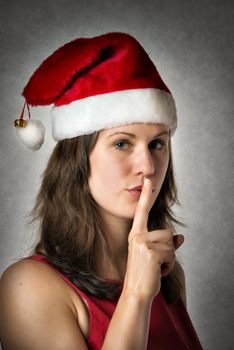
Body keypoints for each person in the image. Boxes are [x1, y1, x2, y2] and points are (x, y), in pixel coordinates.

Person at [0, 32, 203, 349]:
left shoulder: (168, 275)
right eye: (122, 143)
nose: (148, 167)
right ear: (77, 159)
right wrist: (135, 295)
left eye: (158, 144)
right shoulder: (28, 287)